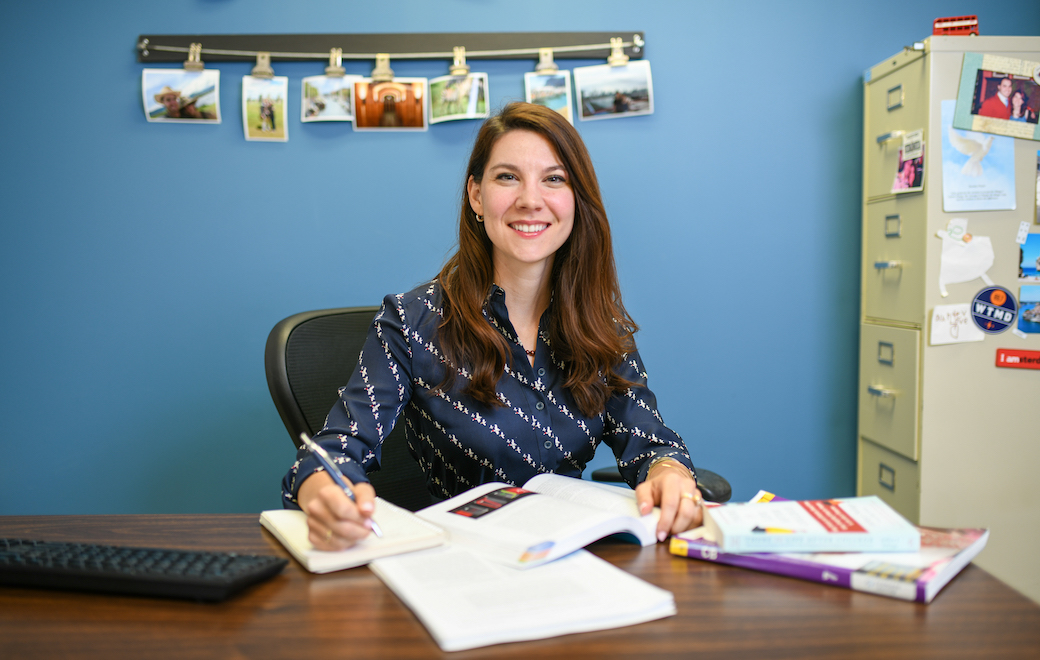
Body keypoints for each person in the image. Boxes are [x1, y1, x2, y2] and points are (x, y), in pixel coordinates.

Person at [283, 102, 703, 551]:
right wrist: (325, 494)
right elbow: (331, 454)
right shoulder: (411, 321)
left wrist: (670, 475)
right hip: (459, 565)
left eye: (554, 178)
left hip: (571, 563)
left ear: (576, 200)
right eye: (507, 177)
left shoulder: (602, 324)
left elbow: (653, 443)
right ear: (476, 195)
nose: (530, 199)